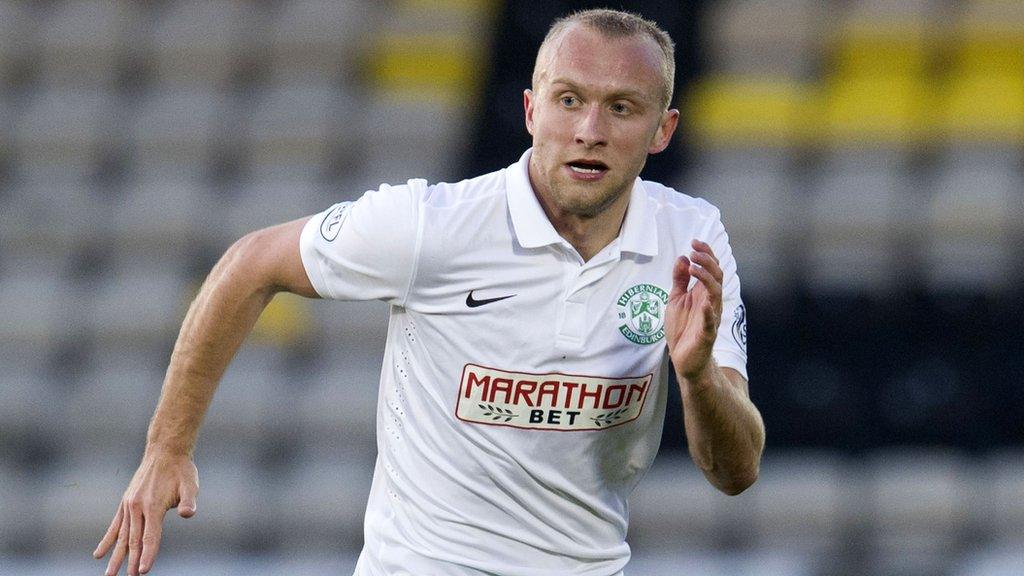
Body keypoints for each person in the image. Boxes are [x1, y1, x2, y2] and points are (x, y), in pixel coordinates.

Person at [94, 8, 765, 576]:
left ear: (663, 130)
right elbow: (250, 263)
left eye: (621, 108)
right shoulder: (432, 226)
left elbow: (735, 472)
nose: (590, 129)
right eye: (569, 100)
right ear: (532, 112)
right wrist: (166, 447)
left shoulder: (690, 242)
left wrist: (699, 377)